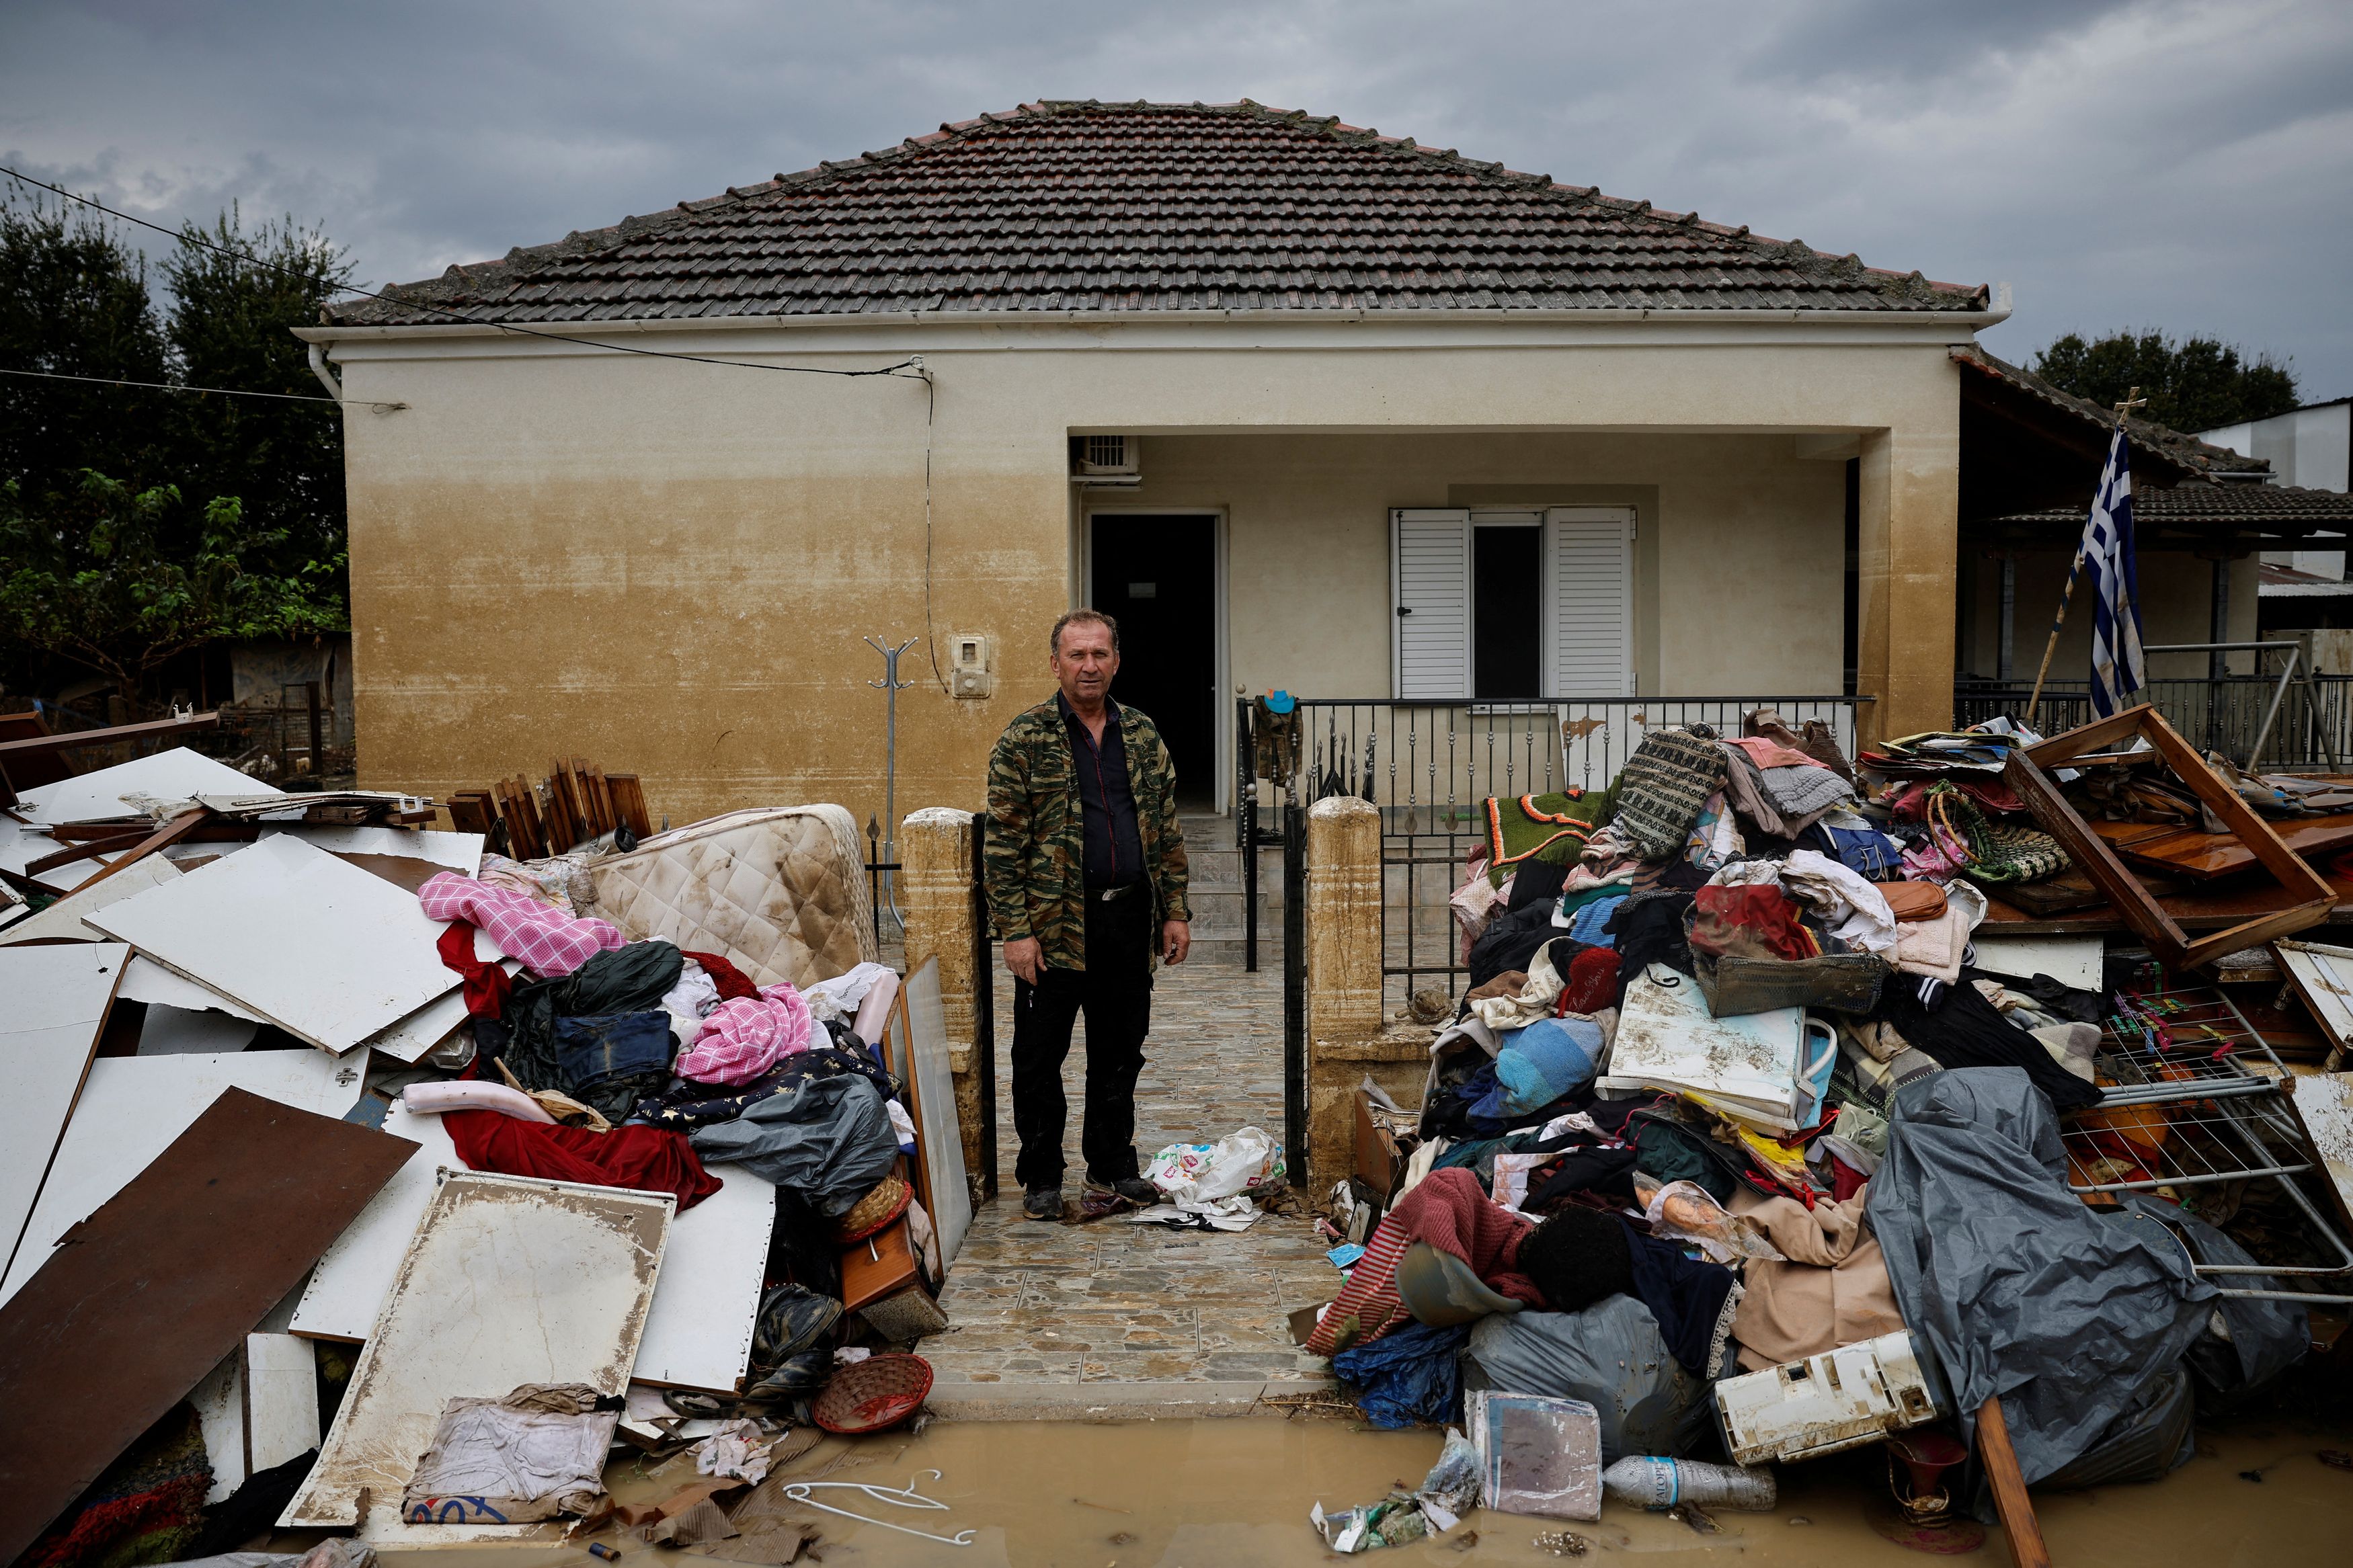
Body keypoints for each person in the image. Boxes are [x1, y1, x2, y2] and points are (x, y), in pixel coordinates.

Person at [984, 608, 1191, 1221]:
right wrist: (1015, 931)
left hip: (1127, 922)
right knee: (1039, 1058)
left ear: (1116, 661)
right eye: (1076, 655)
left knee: (1120, 1050)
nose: (1089, 666)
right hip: (1052, 932)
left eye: (1099, 654)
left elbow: (1167, 833)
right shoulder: (1025, 739)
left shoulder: (1144, 736)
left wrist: (1174, 911)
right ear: (1056, 664)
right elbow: (1002, 846)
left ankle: (1111, 1163)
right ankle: (1042, 1175)